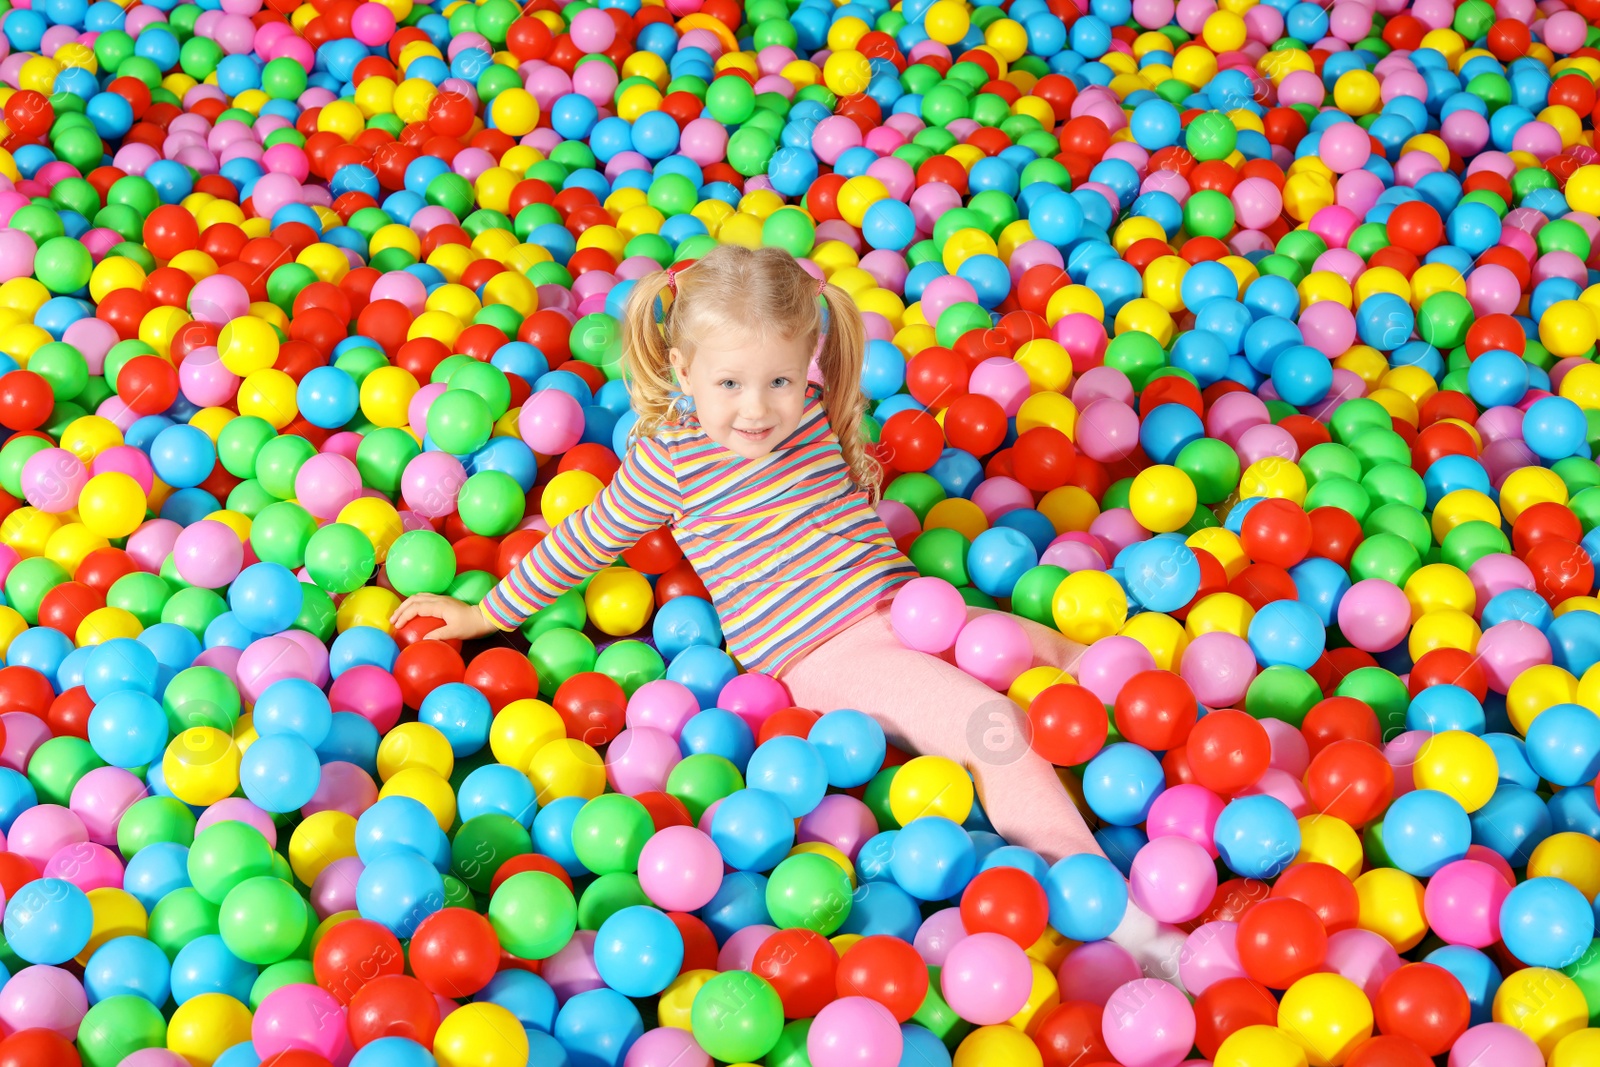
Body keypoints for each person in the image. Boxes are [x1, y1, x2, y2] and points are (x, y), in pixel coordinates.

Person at [391, 245, 1099, 863]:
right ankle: (1106, 904)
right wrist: (486, 610)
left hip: (913, 607)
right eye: (728, 384)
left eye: (778, 382)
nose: (756, 409)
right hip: (824, 652)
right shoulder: (669, 459)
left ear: (806, 367)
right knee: (998, 730)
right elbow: (584, 537)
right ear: (683, 369)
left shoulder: (814, 407)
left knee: (1080, 663)